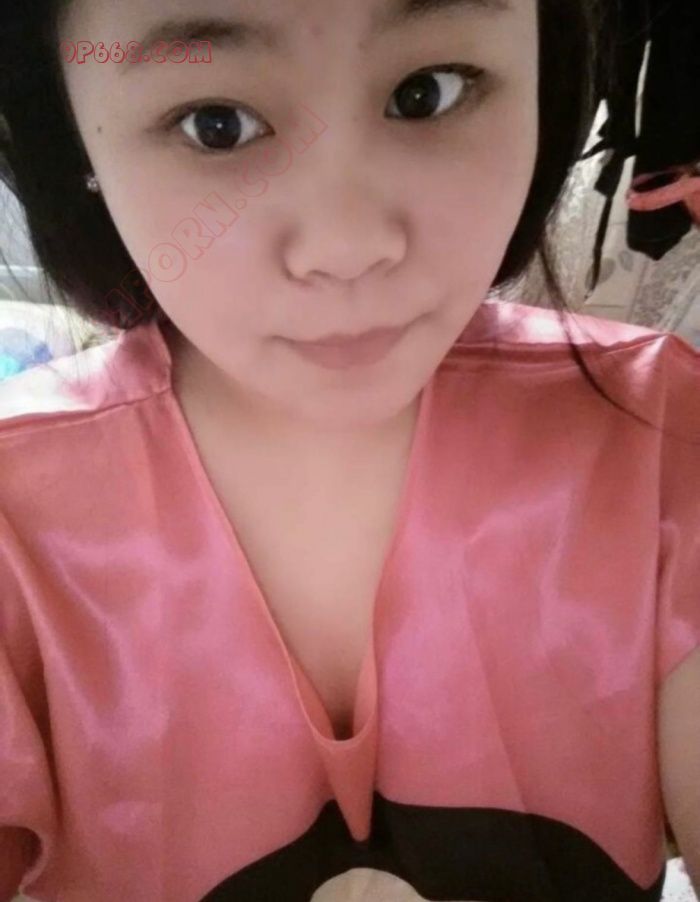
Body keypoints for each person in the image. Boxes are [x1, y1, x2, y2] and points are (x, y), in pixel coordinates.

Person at [0, 0, 699, 899]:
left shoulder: (658, 440)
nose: (348, 247)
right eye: (217, 125)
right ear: (70, 135)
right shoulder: (18, 518)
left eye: (426, 93)